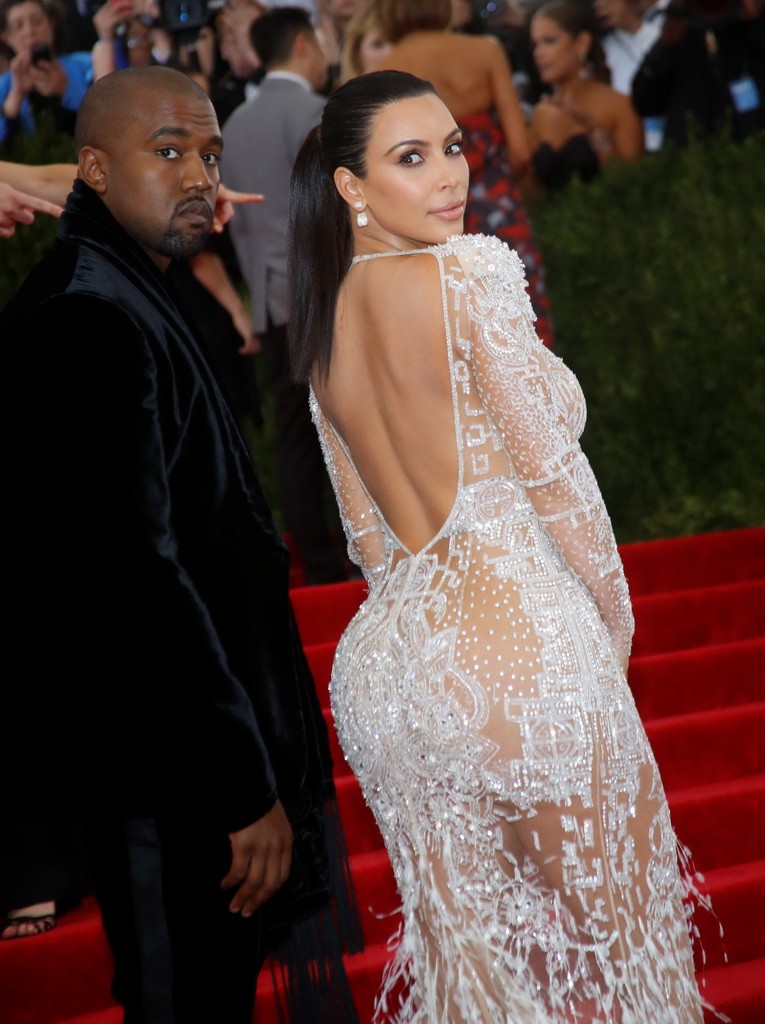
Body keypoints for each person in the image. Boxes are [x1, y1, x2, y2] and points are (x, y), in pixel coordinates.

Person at [285, 68, 721, 1022]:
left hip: (388, 676)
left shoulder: (317, 325)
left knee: (471, 986)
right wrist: (610, 629)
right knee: (630, 955)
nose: (450, 176)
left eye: (452, 147)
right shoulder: (468, 272)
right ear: (350, 187)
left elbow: (367, 540)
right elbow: (557, 479)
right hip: (512, 649)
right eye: (411, 157)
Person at [0, 64, 360, 1024]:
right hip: (166, 776)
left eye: (207, 151)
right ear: (93, 170)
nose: (199, 174)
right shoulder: (88, 312)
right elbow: (134, 579)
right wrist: (241, 789)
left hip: (176, 762)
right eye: (168, 152)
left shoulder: (130, 288)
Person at [223, 5, 349, 585]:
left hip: (273, 306)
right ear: (303, 45)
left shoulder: (234, 125)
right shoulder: (315, 112)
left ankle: (319, 568)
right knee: (353, 432)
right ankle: (366, 557)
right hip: (330, 297)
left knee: (297, 441)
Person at [374, 0, 555, 349]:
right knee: (524, 332)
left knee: (451, 343)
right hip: (496, 207)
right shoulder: (484, 51)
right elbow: (520, 150)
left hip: (423, 225)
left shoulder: (380, 75)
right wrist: (494, 189)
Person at [525, 0, 644, 193]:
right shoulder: (540, 112)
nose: (539, 53)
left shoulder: (619, 105)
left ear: (582, 43)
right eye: (535, 44)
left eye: (549, 41)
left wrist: (594, 130)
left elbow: (634, 185)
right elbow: (530, 194)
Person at [631, 0, 765, 148]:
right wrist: (665, 46)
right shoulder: (683, 34)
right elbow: (645, 102)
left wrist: (757, 23)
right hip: (692, 159)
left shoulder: (752, 36)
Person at [0, 0, 94, 143]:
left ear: (51, 23)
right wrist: (16, 96)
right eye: (18, 26)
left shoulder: (87, 64)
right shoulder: (4, 86)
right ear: (6, 37)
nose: (29, 31)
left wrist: (66, 89)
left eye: (37, 21)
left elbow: (107, 122)